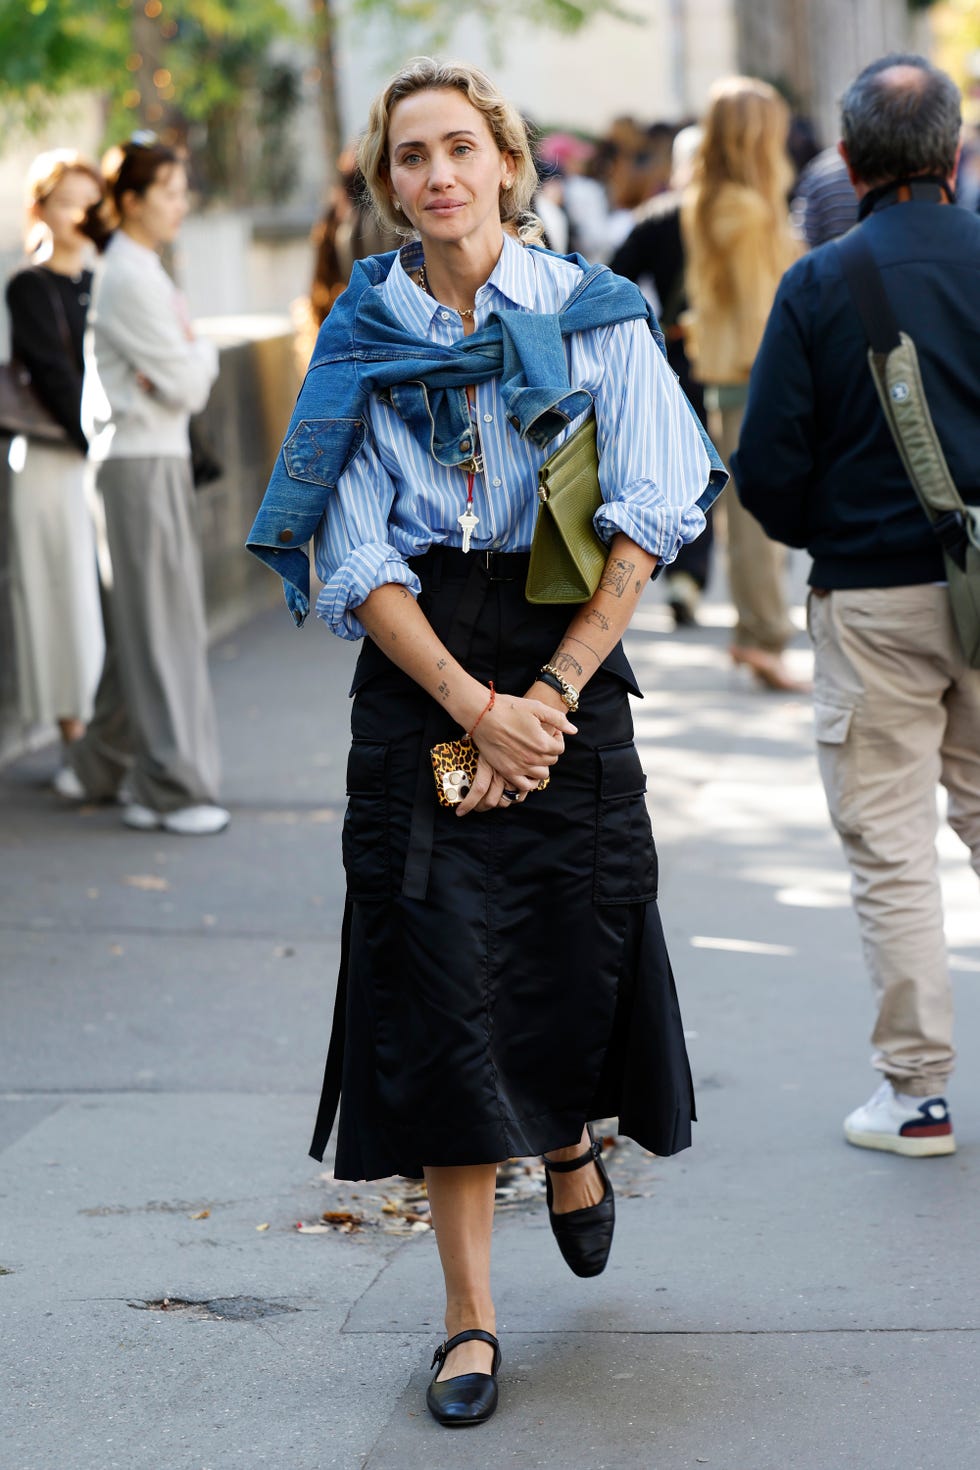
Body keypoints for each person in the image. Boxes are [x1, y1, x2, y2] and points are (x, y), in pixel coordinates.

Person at [247, 58, 724, 1425]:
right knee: (435, 982)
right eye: (412, 157)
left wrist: (552, 690)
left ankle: (570, 1137)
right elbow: (350, 551)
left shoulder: (595, 314)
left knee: (577, 942)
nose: (439, 175)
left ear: (508, 164)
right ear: (388, 183)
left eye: (462, 148)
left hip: (568, 651)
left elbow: (652, 505)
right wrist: (474, 707)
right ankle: (467, 1320)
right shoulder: (363, 334)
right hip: (426, 676)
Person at [733, 54, 980, 1156]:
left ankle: (916, 1097)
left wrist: (830, 537)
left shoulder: (821, 282)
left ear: (843, 160)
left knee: (891, 851)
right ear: (954, 152)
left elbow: (765, 469)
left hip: (874, 598)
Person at [54, 136, 227, 836]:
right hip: (139, 460)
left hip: (141, 458)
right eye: (170, 192)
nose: (182, 203)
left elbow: (179, 378)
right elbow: (185, 382)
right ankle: (168, 789)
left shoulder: (136, 269)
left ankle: (96, 766)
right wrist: (201, 354)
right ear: (129, 201)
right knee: (160, 628)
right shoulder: (129, 276)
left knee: (141, 627)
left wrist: (188, 362)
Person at [680, 77, 808, 691]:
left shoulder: (711, 197)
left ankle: (755, 635)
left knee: (743, 517)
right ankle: (763, 636)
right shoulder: (750, 210)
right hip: (756, 374)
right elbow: (767, 310)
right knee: (759, 519)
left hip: (726, 373)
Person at [5, 150, 106, 749]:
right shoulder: (28, 286)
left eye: (91, 203)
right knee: (60, 592)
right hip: (52, 457)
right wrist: (100, 440)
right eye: (68, 202)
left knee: (97, 598)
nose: (80, 215)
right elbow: (53, 375)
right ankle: (74, 734)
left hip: (99, 456)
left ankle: (99, 732)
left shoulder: (103, 281)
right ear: (40, 209)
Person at [611, 125, 714, 626]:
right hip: (735, 356)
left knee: (688, 464)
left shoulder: (657, 216)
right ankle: (694, 576)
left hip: (674, 351)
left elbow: (611, 278)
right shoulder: (739, 215)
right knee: (724, 467)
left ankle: (685, 576)